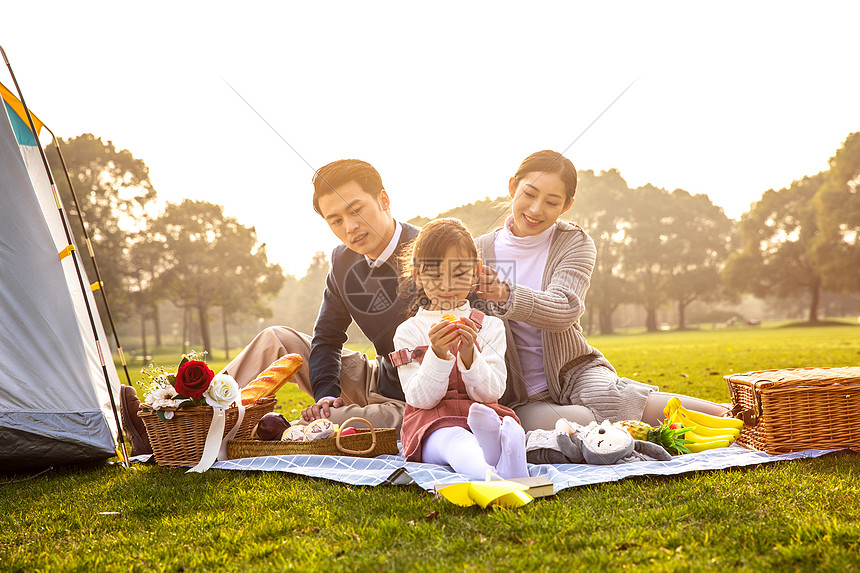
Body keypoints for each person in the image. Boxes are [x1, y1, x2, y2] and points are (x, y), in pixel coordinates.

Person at [473, 150, 729, 430]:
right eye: (529, 194)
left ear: (566, 206)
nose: (536, 209)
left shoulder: (573, 243)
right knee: (578, 423)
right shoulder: (478, 251)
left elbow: (564, 308)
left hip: (575, 371)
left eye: (551, 202)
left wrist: (506, 294)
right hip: (517, 393)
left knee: (613, 400)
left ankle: (731, 415)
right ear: (513, 187)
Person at [391, 218, 528, 480]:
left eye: (458, 274)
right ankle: (491, 474)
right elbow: (420, 399)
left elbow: (492, 392)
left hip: (480, 413)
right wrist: (438, 355)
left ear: (475, 273)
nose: (446, 286)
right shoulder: (409, 332)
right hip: (431, 427)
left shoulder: (489, 327)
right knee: (454, 439)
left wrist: (469, 355)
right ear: (418, 277)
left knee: (495, 424)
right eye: (434, 276)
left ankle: (502, 454)